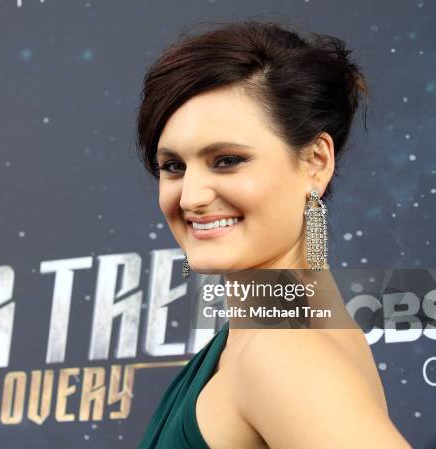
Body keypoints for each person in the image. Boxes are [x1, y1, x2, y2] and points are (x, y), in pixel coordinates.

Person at [134, 20, 414, 449]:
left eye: (227, 160)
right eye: (173, 166)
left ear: (316, 162)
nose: (190, 197)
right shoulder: (271, 336)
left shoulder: (280, 352)